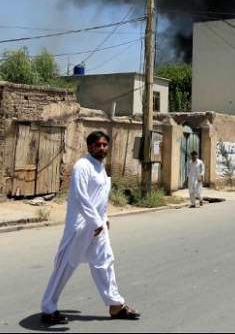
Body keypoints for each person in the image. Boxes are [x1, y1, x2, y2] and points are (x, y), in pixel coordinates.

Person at [40, 131, 140, 326]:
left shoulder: (99, 167)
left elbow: (99, 198)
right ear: (90, 147)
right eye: (98, 145)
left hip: (97, 226)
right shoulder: (82, 166)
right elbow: (81, 197)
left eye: (104, 145)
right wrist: (95, 222)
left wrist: (104, 219)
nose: (102, 148)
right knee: (65, 265)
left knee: (105, 262)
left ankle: (115, 305)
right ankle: (48, 308)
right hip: (81, 226)